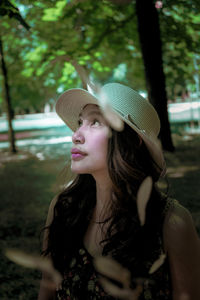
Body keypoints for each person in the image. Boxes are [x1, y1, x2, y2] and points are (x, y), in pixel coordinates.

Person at [38, 83, 200, 300]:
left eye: (95, 122)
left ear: (130, 141)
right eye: (79, 122)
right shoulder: (63, 208)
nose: (76, 135)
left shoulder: (171, 223)